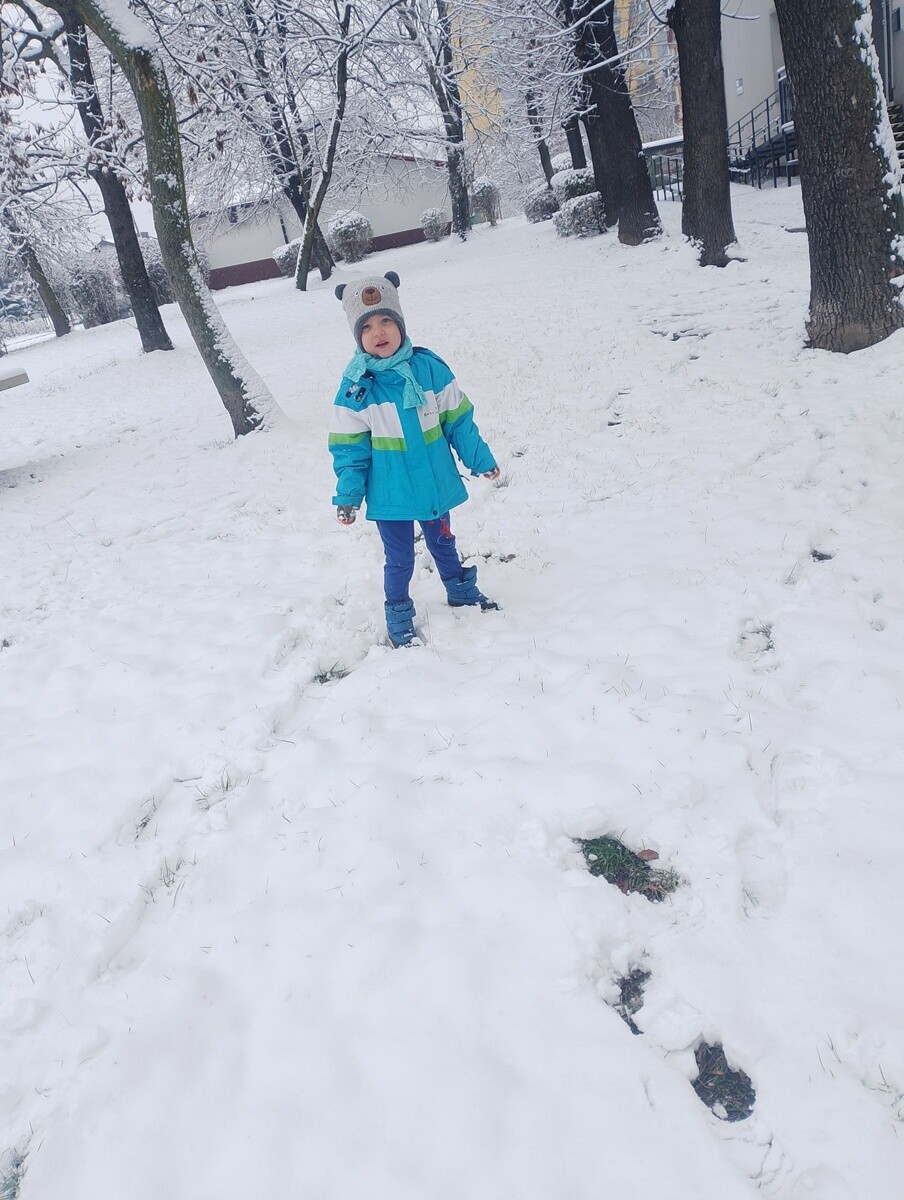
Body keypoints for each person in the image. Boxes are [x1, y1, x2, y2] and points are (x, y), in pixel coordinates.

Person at [329, 271, 500, 647]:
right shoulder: (357, 390)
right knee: (401, 558)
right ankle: (398, 615)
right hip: (391, 496)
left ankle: (461, 591)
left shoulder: (429, 370)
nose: (379, 332)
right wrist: (348, 495)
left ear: (401, 323)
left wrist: (479, 458)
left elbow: (459, 421)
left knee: (443, 541)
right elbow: (349, 450)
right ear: (358, 337)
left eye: (387, 320)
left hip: (434, 483)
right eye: (368, 326)